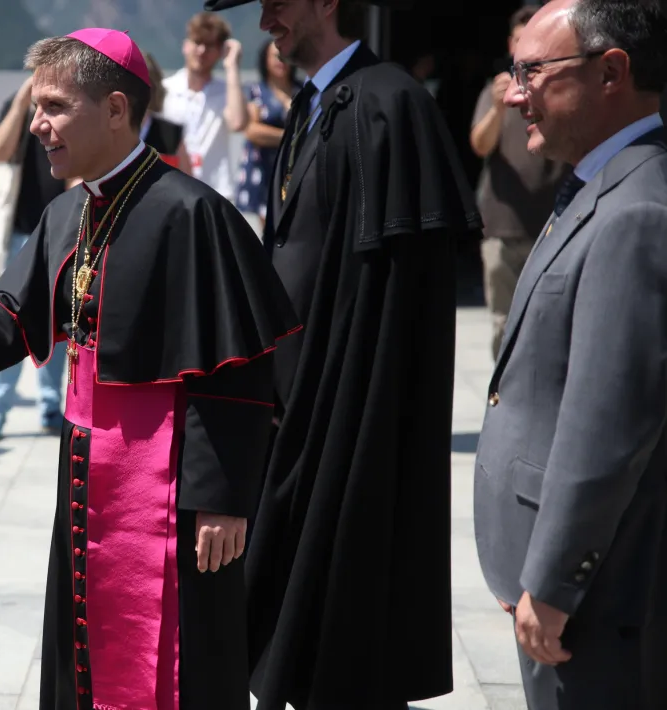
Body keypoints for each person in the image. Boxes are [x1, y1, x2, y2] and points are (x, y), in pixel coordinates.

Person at [0, 28, 299, 710]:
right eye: (35, 107)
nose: (37, 125)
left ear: (114, 109)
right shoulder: (66, 211)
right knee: (85, 650)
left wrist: (223, 497)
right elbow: (9, 317)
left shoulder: (196, 214)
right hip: (88, 469)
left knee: (181, 656)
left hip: (169, 486)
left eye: (53, 106)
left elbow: (240, 368)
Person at [204, 0, 482, 708]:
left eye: (277, 5)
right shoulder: (314, 103)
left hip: (350, 405)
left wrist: (347, 404)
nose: (266, 21)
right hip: (295, 403)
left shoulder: (391, 103)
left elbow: (397, 300)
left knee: (347, 633)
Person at [473, 1, 667, 708]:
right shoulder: (597, 183)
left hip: (594, 599)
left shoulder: (638, 211)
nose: (515, 91)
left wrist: (554, 585)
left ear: (611, 71)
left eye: (533, 71)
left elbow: (608, 424)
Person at [470, 6, 567, 360]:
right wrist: (497, 108)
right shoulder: (497, 90)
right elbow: (479, 145)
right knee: (504, 323)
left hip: (553, 225)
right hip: (503, 229)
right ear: (511, 44)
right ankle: (505, 396)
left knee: (551, 321)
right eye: (520, 39)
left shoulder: (559, 89)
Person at [0, 72, 69, 443]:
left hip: (61, 228)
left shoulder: (69, 112)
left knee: (58, 322)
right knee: (12, 319)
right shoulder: (17, 109)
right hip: (21, 232)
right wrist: (21, 102)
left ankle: (50, 406)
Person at [160, 12, 248, 201]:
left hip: (216, 192)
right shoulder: (166, 90)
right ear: (185, 45)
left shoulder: (227, 92)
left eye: (209, 45)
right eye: (197, 42)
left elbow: (238, 123)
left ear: (219, 51)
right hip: (172, 191)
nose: (201, 51)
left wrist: (232, 66)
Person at [236, 39, 304, 231]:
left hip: (294, 166)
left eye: (284, 56)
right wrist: (291, 138)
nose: (281, 61)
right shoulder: (256, 91)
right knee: (270, 228)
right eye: (275, 57)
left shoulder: (303, 90)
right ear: (265, 60)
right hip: (264, 167)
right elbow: (252, 131)